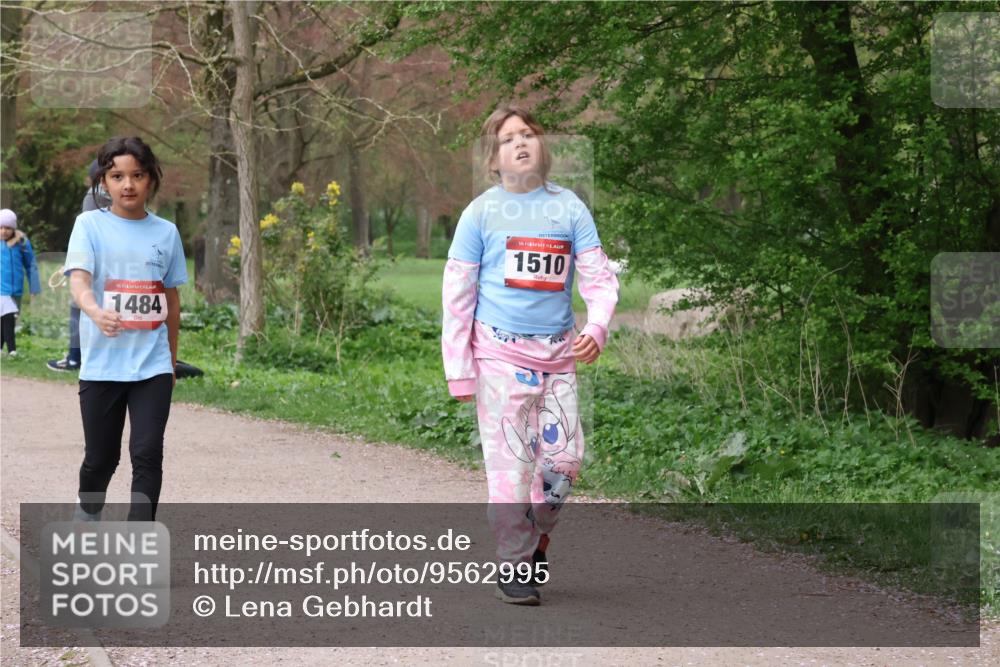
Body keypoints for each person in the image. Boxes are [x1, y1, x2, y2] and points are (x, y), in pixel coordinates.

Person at [441, 105, 619, 605]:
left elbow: (599, 278)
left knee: (563, 466)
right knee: (512, 470)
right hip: (498, 359)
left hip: (559, 359)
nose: (520, 143)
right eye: (507, 139)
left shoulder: (570, 209)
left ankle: (537, 537)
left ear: (543, 146)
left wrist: (598, 325)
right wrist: (460, 370)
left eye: (528, 134)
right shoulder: (480, 213)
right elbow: (457, 296)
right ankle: (514, 567)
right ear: (493, 160)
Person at [64, 137, 186, 522]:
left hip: (152, 364)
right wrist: (95, 311)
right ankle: (87, 513)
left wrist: (171, 358)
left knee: (148, 453)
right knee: (101, 459)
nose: (128, 184)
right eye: (117, 176)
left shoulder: (166, 233)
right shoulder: (89, 225)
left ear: (151, 179)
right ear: (104, 181)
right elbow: (79, 280)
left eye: (137, 175)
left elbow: (171, 301)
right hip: (103, 363)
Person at [48, 160, 112, 372]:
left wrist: (74, 262)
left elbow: (87, 235)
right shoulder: (118, 199)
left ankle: (75, 357)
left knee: (79, 306)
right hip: (112, 264)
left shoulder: (92, 197)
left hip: (93, 265)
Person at [0, 208, 42, 357]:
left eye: (8, 228)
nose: (4, 231)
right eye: (1, 227)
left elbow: (31, 265)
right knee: (7, 319)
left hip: (16, 290)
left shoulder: (22, 243)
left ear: (13, 228)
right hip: (1, 291)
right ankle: (12, 350)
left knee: (7, 320)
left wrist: (34, 287)